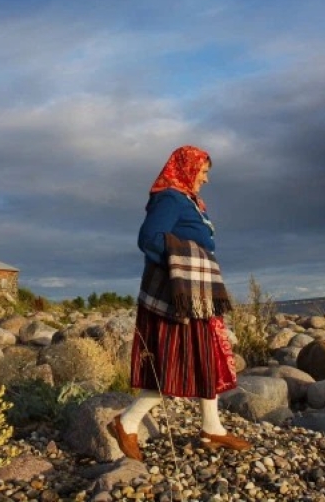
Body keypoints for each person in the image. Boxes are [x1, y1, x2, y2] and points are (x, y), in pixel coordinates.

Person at [106, 145, 251, 462]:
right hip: (175, 298)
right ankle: (126, 422)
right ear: (187, 167)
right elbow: (149, 238)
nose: (206, 179)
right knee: (172, 364)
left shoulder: (191, 201)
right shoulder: (170, 197)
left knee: (205, 358)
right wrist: (182, 267)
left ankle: (211, 427)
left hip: (196, 296)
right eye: (204, 171)